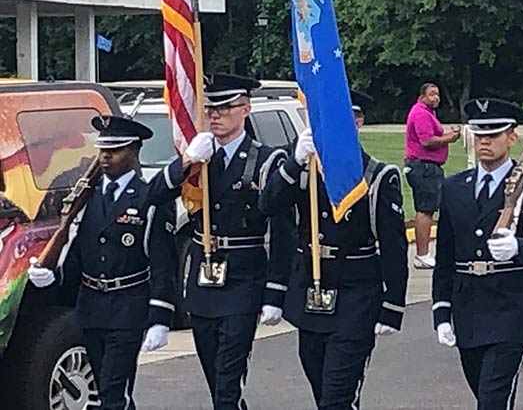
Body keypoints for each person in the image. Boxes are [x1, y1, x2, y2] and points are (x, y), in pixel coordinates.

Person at [148, 73, 294, 410]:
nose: (215, 114)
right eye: (211, 108)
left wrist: (275, 292)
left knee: (229, 380)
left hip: (244, 279)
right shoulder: (198, 161)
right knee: (215, 378)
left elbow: (282, 230)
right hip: (202, 281)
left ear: (245, 109)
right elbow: (153, 195)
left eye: (225, 107)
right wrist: (185, 161)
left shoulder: (266, 160)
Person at [260, 92, 408, 410]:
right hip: (311, 295)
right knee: (321, 390)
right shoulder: (302, 171)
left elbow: (394, 247)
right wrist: (295, 161)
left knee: (337, 397)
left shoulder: (376, 177)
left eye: (342, 119)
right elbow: (268, 205)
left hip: (356, 296)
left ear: (357, 122)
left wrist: (393, 304)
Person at [28, 116, 176, 410]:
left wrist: (161, 316)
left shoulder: (149, 198)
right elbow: (78, 255)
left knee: (113, 391)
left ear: (134, 151)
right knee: (108, 389)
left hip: (128, 308)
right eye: (102, 150)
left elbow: (162, 262)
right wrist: (51, 276)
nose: (106, 157)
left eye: (115, 150)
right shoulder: (85, 199)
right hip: (92, 307)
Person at [432, 98, 523, 410]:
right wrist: (441, 311)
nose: (485, 142)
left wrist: (520, 247)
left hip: (510, 308)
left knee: (491, 400)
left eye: (493, 134)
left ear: (512, 137)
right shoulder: (454, 187)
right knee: (488, 396)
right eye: (479, 135)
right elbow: (445, 256)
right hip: (468, 309)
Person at [405, 83, 461, 269]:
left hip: (428, 166)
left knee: (429, 208)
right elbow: (427, 140)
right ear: (422, 96)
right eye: (432, 94)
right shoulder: (421, 113)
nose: (436, 97)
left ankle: (424, 254)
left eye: (437, 94)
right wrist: (450, 138)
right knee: (425, 209)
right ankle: (422, 254)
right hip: (424, 166)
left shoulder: (428, 113)